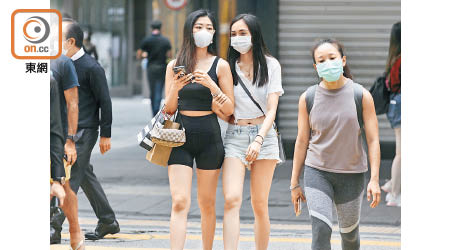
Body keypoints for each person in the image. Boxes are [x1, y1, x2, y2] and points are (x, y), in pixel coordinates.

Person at [290, 39, 381, 250]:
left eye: (332, 58)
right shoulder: (308, 98)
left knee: (349, 237)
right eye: (321, 60)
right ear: (316, 67)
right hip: (317, 172)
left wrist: (374, 179)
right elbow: (302, 141)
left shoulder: (361, 96)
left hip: (352, 175)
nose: (327, 63)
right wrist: (294, 182)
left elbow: (373, 139)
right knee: (321, 231)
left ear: (343, 60)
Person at [163, 9, 234, 250]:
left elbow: (230, 108)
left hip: (209, 137)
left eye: (208, 28)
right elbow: (168, 110)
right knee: (180, 201)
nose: (203, 32)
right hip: (179, 136)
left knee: (207, 203)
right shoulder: (174, 65)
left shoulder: (221, 65)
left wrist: (212, 85)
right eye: (198, 27)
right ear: (189, 31)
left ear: (214, 34)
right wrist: (175, 88)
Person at [50, 18, 120, 241]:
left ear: (70, 42)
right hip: (65, 130)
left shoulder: (91, 67)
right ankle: (108, 220)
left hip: (85, 131)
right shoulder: (58, 64)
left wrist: (106, 134)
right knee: (84, 174)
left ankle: (54, 227)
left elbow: (105, 101)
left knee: (69, 177)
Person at [221, 14, 284, 250]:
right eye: (234, 34)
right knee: (231, 199)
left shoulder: (271, 65)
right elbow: (225, 110)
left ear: (254, 35)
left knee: (259, 204)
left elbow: (272, 110)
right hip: (235, 136)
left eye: (243, 33)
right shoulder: (228, 67)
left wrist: (258, 139)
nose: (238, 38)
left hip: (264, 137)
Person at [50, 73, 85, 250]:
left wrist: (70, 141)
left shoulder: (56, 71)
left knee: (65, 187)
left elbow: (72, 104)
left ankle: (74, 228)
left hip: (56, 141)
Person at [381, 21, 401, 207]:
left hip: (396, 105)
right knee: (401, 152)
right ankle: (395, 194)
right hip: (401, 104)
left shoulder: (394, 58)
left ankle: (392, 185)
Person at [137, 20, 172, 116]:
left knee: (152, 90)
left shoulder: (147, 40)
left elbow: (139, 54)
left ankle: (154, 111)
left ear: (151, 28)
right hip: (162, 68)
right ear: (161, 28)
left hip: (151, 68)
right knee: (159, 89)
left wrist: (145, 56)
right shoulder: (165, 41)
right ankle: (157, 109)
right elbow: (169, 55)